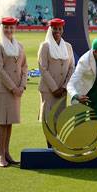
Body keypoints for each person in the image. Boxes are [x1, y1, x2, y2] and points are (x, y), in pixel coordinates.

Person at [0, 17, 27, 167]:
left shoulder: (19, 46)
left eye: (11, 27)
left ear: (15, 28)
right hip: (3, 90)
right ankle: (1, 154)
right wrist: (13, 87)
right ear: (2, 28)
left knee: (10, 122)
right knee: (2, 123)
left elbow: (25, 67)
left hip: (16, 91)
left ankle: (7, 152)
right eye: (6, 27)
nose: (9, 30)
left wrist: (22, 86)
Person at [37, 18, 74, 147]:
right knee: (48, 119)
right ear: (50, 29)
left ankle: (57, 146)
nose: (57, 31)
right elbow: (43, 68)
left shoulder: (68, 46)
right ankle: (50, 147)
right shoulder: (45, 46)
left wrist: (64, 87)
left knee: (59, 118)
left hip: (62, 91)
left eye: (60, 29)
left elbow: (71, 67)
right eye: (55, 29)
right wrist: (54, 88)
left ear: (62, 30)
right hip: (49, 90)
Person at [67, 38, 97, 121]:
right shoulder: (84, 61)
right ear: (96, 51)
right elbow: (70, 84)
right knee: (80, 123)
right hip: (83, 93)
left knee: (95, 123)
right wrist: (76, 96)